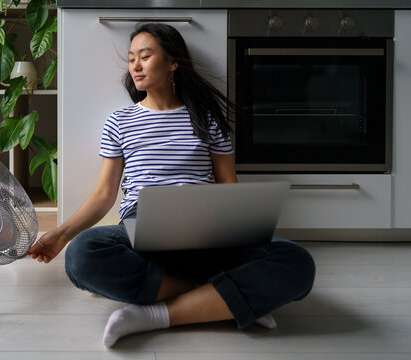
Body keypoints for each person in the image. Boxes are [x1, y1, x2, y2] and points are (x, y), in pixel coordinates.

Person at [28, 23, 316, 348]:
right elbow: (104, 194)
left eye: (145, 56)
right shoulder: (120, 122)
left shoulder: (206, 118)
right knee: (82, 255)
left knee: (297, 262)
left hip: (209, 228)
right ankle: (225, 300)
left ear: (172, 63)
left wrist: (236, 220)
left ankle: (155, 315)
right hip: (143, 228)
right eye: (132, 58)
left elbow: (228, 185)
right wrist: (63, 234)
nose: (135, 65)